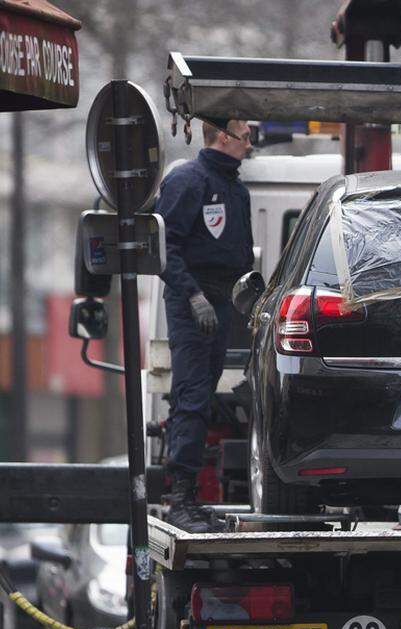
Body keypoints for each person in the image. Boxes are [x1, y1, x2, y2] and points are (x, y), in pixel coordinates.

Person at [154, 118, 254, 532]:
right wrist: (193, 296)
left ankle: (190, 498)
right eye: (246, 137)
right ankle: (180, 499)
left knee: (203, 397)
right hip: (191, 300)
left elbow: (242, 256)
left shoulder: (236, 188)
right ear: (225, 138)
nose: (250, 144)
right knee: (191, 397)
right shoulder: (187, 181)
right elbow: (162, 247)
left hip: (223, 300)